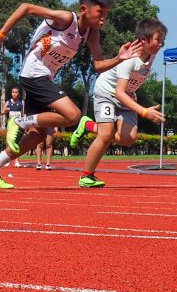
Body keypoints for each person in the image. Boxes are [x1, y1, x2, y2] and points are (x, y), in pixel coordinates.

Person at [0, 0, 140, 190]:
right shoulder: (65, 19)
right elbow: (26, 7)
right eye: (100, 13)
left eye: (106, 14)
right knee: (73, 115)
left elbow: (98, 66)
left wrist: (119, 58)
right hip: (33, 73)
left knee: (37, 135)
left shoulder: (91, 33)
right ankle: (18, 121)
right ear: (84, 8)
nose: (103, 19)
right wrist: (2, 33)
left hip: (45, 77)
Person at [71, 18, 168, 187]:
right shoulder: (130, 59)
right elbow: (119, 93)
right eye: (157, 40)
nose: (160, 45)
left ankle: (88, 125)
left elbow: (125, 93)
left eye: (162, 41)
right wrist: (144, 112)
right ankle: (87, 176)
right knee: (106, 134)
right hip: (107, 93)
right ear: (143, 40)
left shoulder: (151, 55)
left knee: (128, 139)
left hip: (127, 96)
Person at [3, 87, 25, 167]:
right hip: (10, 125)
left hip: (19, 125)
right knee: (9, 143)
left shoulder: (22, 102)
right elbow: (2, 112)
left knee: (17, 143)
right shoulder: (8, 102)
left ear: (18, 93)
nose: (14, 94)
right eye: (13, 92)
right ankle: (7, 160)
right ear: (11, 93)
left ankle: (16, 161)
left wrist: (24, 124)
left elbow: (24, 113)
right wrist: (6, 110)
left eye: (16, 92)